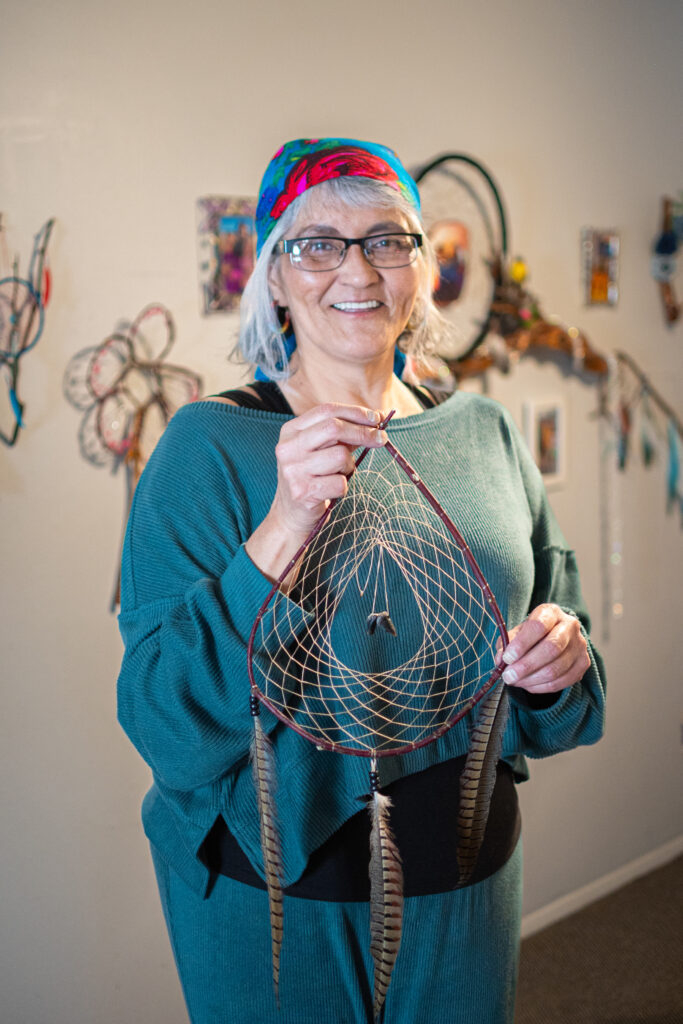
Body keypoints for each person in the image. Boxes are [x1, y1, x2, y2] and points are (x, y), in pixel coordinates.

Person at [117, 137, 606, 1024]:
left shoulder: (484, 433)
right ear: (272, 274)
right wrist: (284, 525)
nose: (358, 268)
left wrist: (560, 658)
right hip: (271, 897)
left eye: (388, 239)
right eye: (317, 242)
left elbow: (560, 653)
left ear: (420, 268)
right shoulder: (205, 449)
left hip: (466, 878)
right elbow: (162, 721)